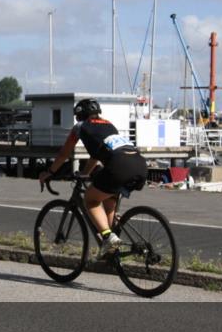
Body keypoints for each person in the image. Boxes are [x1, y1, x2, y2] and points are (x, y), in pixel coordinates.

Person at [38, 98, 148, 258]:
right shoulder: (109, 125)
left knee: (90, 199)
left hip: (118, 166)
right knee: (108, 200)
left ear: (79, 115)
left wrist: (49, 172)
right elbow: (96, 156)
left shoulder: (79, 127)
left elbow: (64, 154)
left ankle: (108, 237)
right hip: (140, 164)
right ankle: (113, 249)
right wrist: (85, 174)